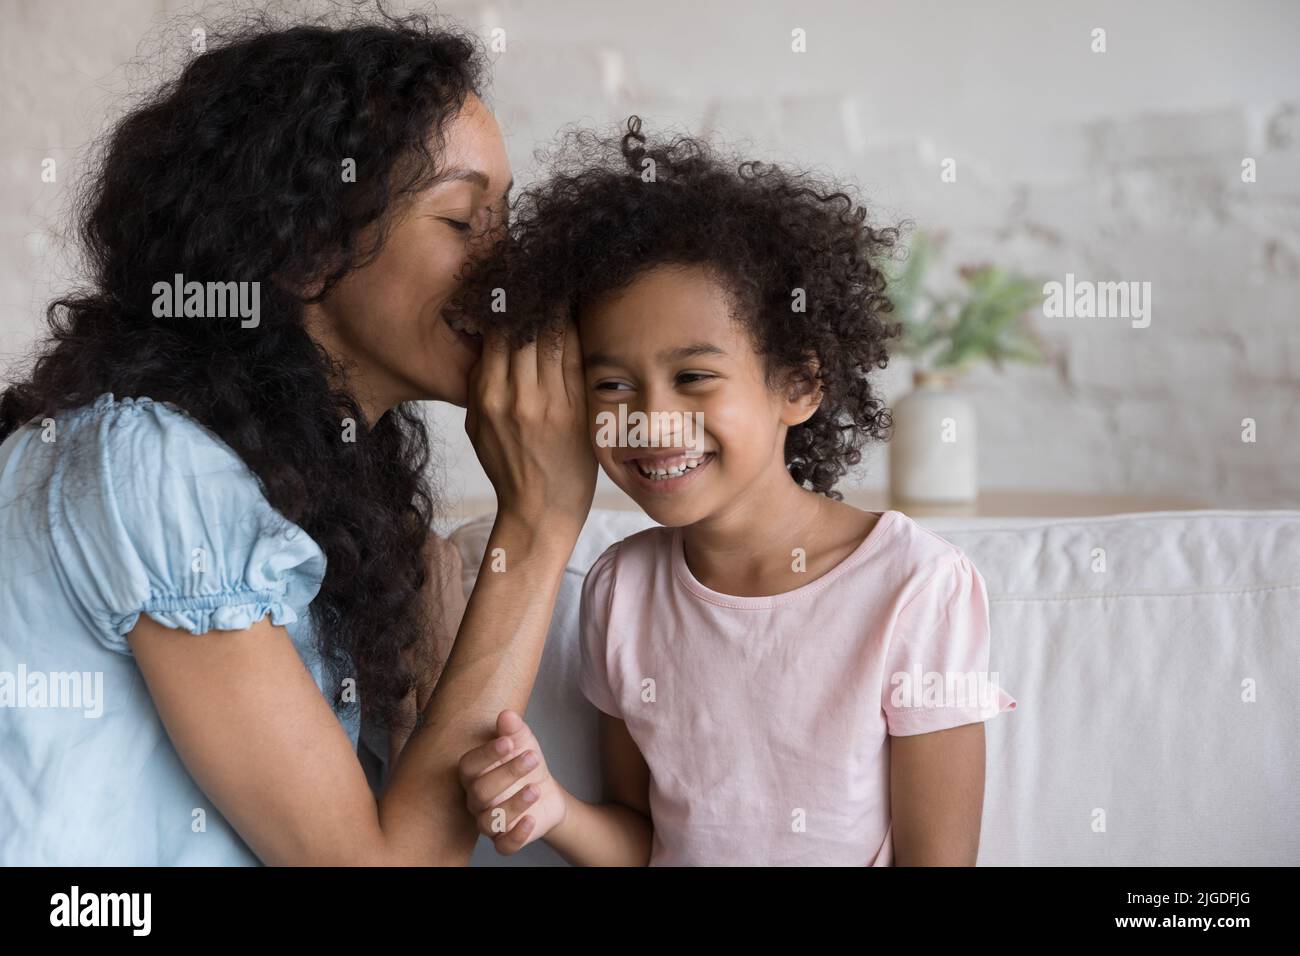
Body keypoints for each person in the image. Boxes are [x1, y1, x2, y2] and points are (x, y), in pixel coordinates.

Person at [0, 8, 593, 865]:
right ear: (306, 251)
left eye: (508, 221)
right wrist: (538, 526)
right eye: (464, 223)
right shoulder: (150, 468)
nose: (510, 273)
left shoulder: (319, 496)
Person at [455, 118, 1017, 865]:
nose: (652, 422)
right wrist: (553, 808)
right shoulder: (622, 591)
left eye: (693, 378)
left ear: (798, 383)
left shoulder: (915, 589)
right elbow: (643, 840)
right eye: (613, 385)